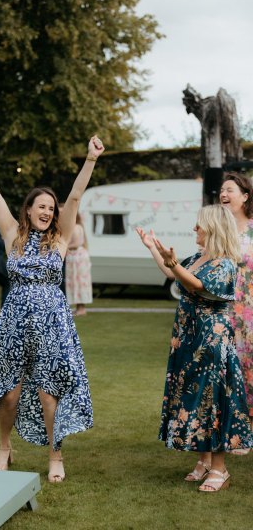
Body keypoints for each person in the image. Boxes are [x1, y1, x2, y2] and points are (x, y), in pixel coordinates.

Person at [0, 135, 104, 483]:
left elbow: (74, 196)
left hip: (52, 323)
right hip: (13, 323)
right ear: (28, 209)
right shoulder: (12, 234)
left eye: (51, 208)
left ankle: (56, 455)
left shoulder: (60, 237)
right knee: (8, 395)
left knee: (48, 393)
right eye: (41, 206)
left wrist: (90, 159)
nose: (47, 211)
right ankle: (4, 447)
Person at [136, 204, 252, 492]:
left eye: (199, 225)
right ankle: (203, 461)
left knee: (213, 399)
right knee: (195, 396)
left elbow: (199, 286)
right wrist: (153, 248)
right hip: (190, 337)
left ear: (212, 228)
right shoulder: (200, 257)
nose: (194, 229)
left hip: (211, 339)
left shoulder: (224, 262)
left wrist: (175, 265)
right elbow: (174, 271)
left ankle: (220, 468)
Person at [220, 172, 253, 454]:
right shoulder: (220, 232)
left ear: (245, 196)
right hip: (226, 312)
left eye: (229, 189)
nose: (223, 193)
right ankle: (237, 433)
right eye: (221, 190)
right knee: (231, 370)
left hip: (252, 312)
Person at [65, 212, 92, 315]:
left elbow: (76, 243)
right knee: (78, 282)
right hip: (78, 256)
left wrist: (65, 246)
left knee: (78, 282)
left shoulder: (75, 227)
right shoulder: (79, 226)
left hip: (77, 258)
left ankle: (81, 308)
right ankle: (79, 307)